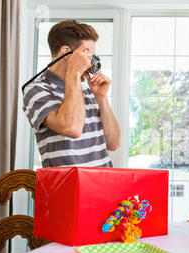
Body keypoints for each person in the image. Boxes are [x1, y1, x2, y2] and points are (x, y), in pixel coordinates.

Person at [23, 20, 120, 168]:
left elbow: (113, 144)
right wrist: (74, 72)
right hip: (66, 187)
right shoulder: (36, 89)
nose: (91, 64)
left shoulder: (87, 91)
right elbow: (72, 129)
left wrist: (102, 98)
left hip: (102, 185)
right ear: (66, 53)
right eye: (88, 56)